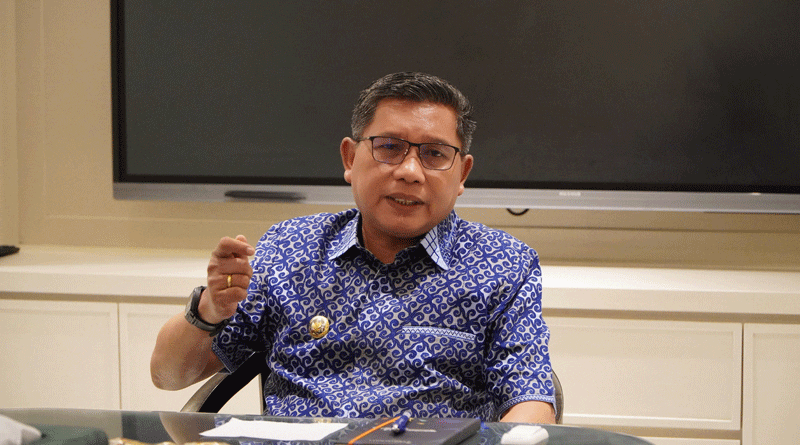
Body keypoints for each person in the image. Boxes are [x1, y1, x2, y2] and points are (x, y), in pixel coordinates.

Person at [151, 72, 556, 423]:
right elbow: (168, 376)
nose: (410, 172)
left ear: (462, 173)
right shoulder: (290, 249)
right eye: (390, 147)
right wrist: (210, 309)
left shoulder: (504, 264)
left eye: (434, 154)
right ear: (349, 157)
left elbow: (531, 402)